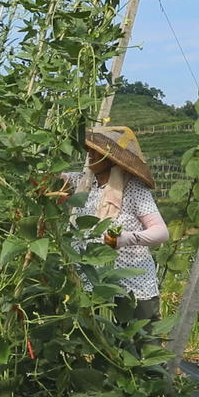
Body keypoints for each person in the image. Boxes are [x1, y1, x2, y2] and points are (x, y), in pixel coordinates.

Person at [64, 125, 168, 324]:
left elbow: (161, 233)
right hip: (94, 282)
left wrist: (123, 239)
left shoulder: (132, 188)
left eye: (97, 151)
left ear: (111, 158)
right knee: (103, 343)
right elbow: (54, 180)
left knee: (141, 343)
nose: (91, 155)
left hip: (133, 285)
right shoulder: (85, 183)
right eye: (90, 150)